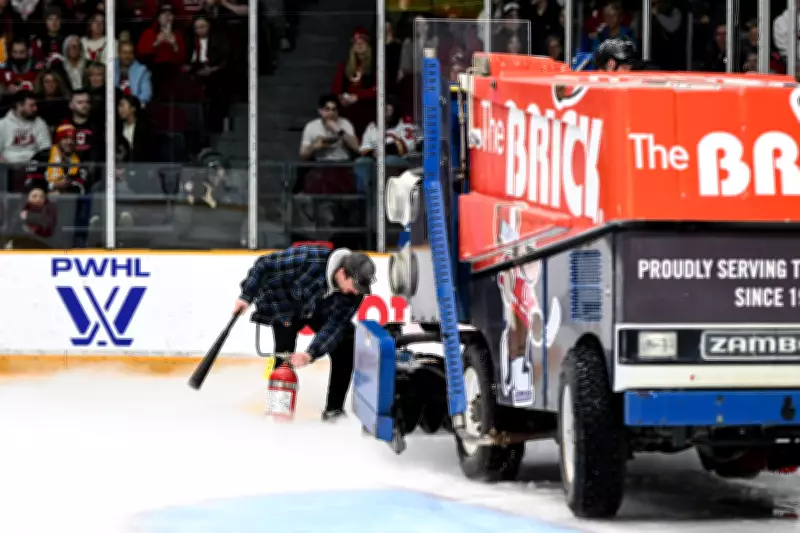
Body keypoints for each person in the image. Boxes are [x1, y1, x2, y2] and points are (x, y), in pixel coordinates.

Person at [232, 244, 377, 421]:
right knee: (284, 354)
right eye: (355, 286)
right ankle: (279, 409)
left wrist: (310, 354)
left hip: (316, 308)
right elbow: (263, 265)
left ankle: (333, 410)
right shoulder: (308, 259)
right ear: (341, 272)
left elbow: (335, 327)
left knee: (346, 340)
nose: (356, 292)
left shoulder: (353, 294)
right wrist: (246, 296)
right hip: (285, 301)